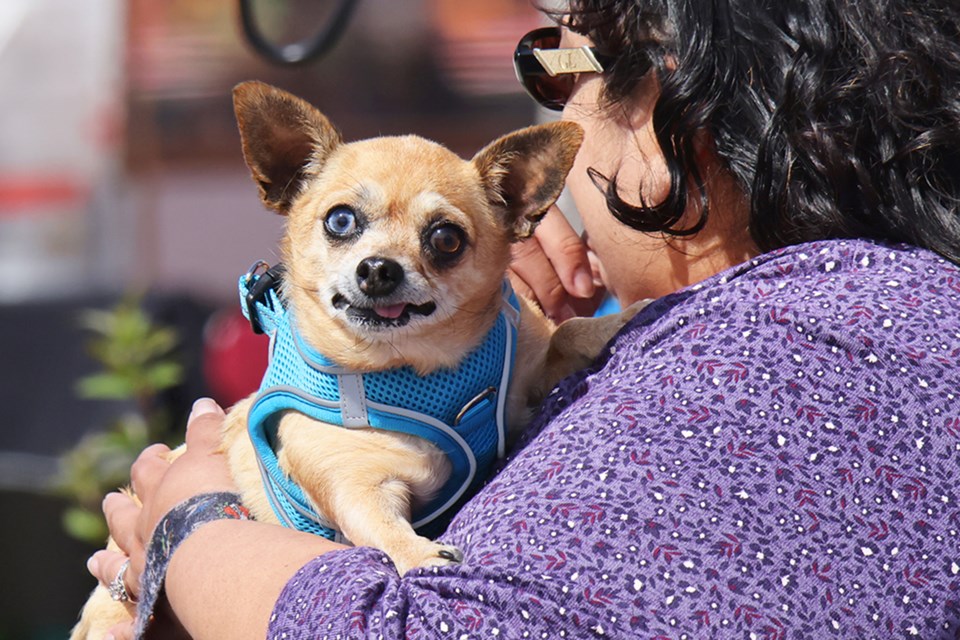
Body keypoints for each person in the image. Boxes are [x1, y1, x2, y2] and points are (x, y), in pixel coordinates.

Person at [87, 0, 960, 637]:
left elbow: (414, 629)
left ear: (679, 121)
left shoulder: (742, 359)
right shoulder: (909, 321)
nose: (557, 109)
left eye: (558, 66)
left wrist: (191, 535)